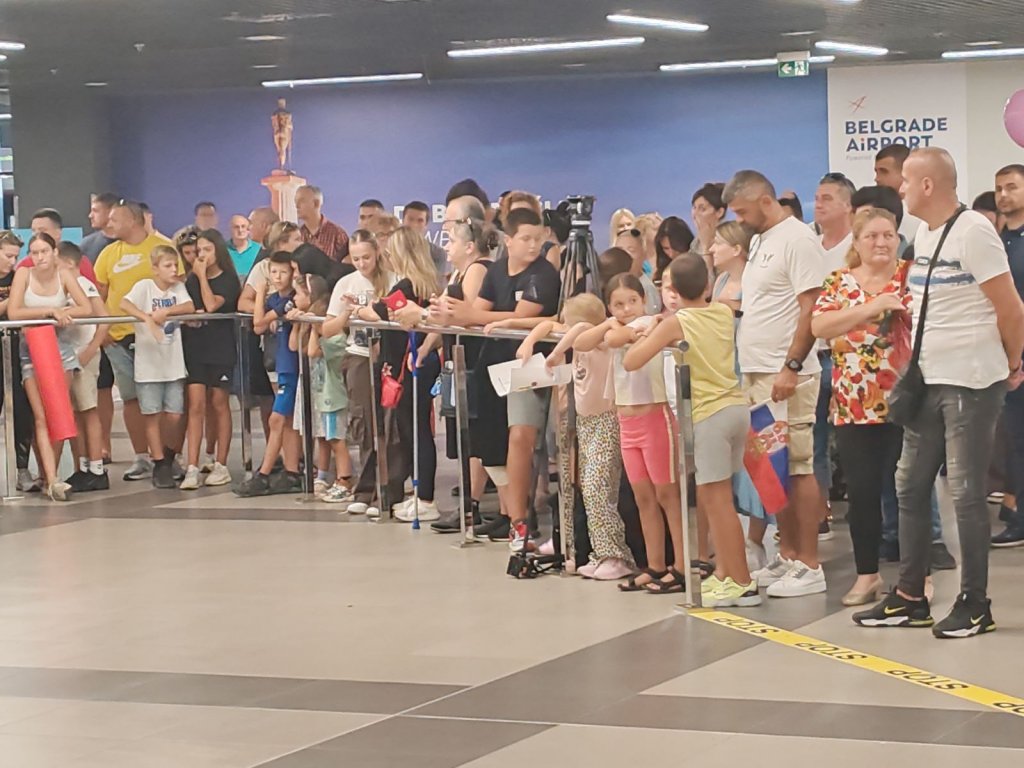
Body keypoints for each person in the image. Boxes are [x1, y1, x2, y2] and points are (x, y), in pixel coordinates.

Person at [854, 147, 1024, 638]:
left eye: (907, 181)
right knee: (909, 484)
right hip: (927, 378)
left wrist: (1012, 362)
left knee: (967, 493)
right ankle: (911, 595)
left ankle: (975, 603)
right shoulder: (925, 233)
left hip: (971, 380)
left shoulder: (974, 232)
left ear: (928, 185)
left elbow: (1011, 308)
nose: (901, 189)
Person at [626, 254, 759, 606]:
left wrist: (653, 331)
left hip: (709, 416)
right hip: (735, 408)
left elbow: (631, 360)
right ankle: (726, 574)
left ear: (672, 290)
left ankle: (742, 582)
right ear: (707, 285)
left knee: (718, 502)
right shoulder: (722, 312)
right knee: (718, 498)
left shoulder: (677, 323)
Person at [724, 169, 827, 598]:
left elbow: (812, 306)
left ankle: (810, 563)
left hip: (786, 372)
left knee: (798, 465)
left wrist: (792, 365)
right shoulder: (762, 240)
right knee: (772, 467)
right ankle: (787, 554)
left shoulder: (798, 239)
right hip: (756, 370)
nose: (739, 220)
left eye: (742, 212)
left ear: (765, 201)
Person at [442, 208, 561, 546]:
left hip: (530, 365)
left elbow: (519, 314)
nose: (533, 245)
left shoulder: (544, 274)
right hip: (493, 364)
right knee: (491, 442)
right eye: (525, 238)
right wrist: (454, 314)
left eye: (538, 238)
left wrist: (477, 316)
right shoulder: (497, 270)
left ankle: (522, 517)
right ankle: (513, 516)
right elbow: (476, 312)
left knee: (520, 437)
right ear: (508, 240)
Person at [812, 208, 910, 606]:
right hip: (853, 403)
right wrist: (869, 308)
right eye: (872, 236)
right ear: (856, 242)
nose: (881, 243)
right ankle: (867, 574)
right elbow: (819, 326)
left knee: (909, 491)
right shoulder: (839, 281)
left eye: (888, 235)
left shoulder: (911, 276)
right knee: (863, 492)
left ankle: (916, 576)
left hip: (906, 401)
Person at [507, 293, 635, 580]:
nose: (563, 329)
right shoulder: (578, 335)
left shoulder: (600, 339)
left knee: (598, 488)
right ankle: (598, 552)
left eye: (568, 323)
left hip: (606, 421)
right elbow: (548, 325)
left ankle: (616, 554)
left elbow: (579, 331)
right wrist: (529, 342)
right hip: (586, 422)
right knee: (586, 489)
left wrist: (556, 352)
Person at [574, 274, 682, 593]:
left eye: (632, 301)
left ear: (644, 300)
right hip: (627, 422)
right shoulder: (614, 327)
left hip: (654, 418)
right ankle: (655, 564)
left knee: (667, 496)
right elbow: (581, 342)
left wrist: (616, 329)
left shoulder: (650, 323)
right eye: (618, 304)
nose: (626, 309)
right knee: (643, 497)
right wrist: (608, 324)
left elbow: (620, 338)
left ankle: (681, 565)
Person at [7, 233, 94, 500]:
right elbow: (15, 312)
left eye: (44, 251)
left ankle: (51, 476)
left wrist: (63, 312)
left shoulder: (64, 274)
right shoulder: (24, 275)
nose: (40, 257)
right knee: (40, 416)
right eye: (34, 253)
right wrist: (48, 312)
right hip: (31, 349)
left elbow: (86, 307)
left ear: (54, 252)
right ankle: (51, 477)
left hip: (60, 349)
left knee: (59, 411)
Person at [94, 200, 176, 482]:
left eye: (115, 219)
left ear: (133, 220)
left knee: (161, 400)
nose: (109, 224)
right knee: (131, 398)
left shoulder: (163, 248)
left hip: (155, 338)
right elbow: (100, 294)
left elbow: (177, 286)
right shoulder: (108, 253)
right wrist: (102, 330)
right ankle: (141, 456)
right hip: (118, 338)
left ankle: (165, 457)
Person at [424, 203, 494, 533]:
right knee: (462, 433)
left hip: (474, 358)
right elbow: (442, 314)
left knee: (475, 434)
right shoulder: (457, 273)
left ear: (469, 246)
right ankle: (468, 500)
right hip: (455, 356)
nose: (447, 247)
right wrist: (425, 346)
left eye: (452, 241)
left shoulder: (478, 270)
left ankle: (472, 503)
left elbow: (465, 315)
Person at [321, 230, 396, 515]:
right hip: (358, 357)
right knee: (363, 422)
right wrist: (347, 314)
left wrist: (372, 312)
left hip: (387, 357)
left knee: (388, 424)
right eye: (356, 259)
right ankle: (365, 490)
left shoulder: (393, 279)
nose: (362, 264)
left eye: (366, 257)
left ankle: (388, 491)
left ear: (377, 253)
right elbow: (327, 329)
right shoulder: (346, 283)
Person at [369, 226, 441, 521]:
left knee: (417, 429)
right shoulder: (425, 284)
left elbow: (379, 311)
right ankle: (420, 493)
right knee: (414, 428)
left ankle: (426, 498)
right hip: (416, 361)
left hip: (412, 364)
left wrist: (358, 310)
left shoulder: (408, 286)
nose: (387, 256)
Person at [119, 245, 195, 489]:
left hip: (173, 364)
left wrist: (167, 311)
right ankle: (159, 461)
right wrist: (146, 318)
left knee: (174, 414)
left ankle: (169, 453)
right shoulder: (144, 287)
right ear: (155, 269)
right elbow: (124, 303)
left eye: (175, 265)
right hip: (149, 365)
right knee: (151, 414)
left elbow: (189, 307)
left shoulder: (178, 289)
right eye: (167, 266)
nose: (173, 270)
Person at [236, 252, 304, 496]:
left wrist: (261, 296)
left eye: (283, 272)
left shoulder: (290, 300)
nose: (277, 277)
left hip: (293, 367)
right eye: (273, 272)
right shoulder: (275, 298)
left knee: (276, 419)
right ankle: (291, 471)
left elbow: (259, 323)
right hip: (281, 365)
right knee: (287, 420)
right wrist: (262, 295)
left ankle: (264, 474)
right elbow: (259, 326)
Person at [813, 172, 857, 539]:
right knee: (812, 441)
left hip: (851, 357)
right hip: (814, 355)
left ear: (847, 205)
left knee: (855, 443)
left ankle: (863, 510)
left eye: (827, 198)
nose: (818, 204)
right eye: (817, 198)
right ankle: (818, 511)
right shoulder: (809, 246)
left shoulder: (857, 248)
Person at [179, 230, 240, 490]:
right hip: (195, 347)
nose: (202, 255)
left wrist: (203, 276)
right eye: (199, 251)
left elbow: (212, 304)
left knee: (219, 401)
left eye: (207, 250)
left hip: (220, 347)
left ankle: (221, 463)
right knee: (195, 403)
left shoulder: (228, 279)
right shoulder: (190, 280)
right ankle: (192, 465)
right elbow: (189, 307)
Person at [57, 242, 110, 493]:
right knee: (76, 411)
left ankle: (97, 468)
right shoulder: (60, 287)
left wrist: (92, 347)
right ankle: (83, 466)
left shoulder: (84, 285)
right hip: (68, 355)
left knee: (88, 409)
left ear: (69, 263)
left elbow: (103, 318)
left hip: (84, 354)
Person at [992, 163, 1024, 547]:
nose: (1004, 195)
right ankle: (1018, 514)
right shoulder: (998, 241)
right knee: (1015, 438)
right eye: (999, 188)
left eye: (1012, 187)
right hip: (1006, 355)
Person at [306, 278, 352, 502]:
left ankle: (344, 479)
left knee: (337, 440)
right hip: (325, 398)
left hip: (333, 398)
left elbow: (312, 352)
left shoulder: (336, 340)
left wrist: (316, 329)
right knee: (331, 438)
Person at [0, 230, 36, 492]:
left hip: (17, 349)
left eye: (16, 256)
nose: (12, 262)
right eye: (7, 256)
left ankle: (23, 469)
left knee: (23, 411)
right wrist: (13, 303)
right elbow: (15, 307)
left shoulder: (20, 277)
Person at [22, 208, 98, 284]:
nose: (36, 234)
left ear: (58, 233)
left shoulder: (79, 260)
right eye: (33, 231)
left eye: (42, 230)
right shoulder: (26, 265)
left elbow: (91, 288)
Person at [875, 144, 920, 242]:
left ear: (906, 172)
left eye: (884, 172)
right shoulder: (876, 210)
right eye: (876, 172)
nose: (877, 179)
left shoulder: (921, 214)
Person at [296, 185, 349, 262]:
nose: (297, 206)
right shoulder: (297, 235)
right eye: (296, 201)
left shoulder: (338, 234)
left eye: (302, 201)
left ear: (316, 203)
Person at [402, 200, 447, 281]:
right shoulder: (390, 250)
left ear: (426, 225)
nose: (414, 225)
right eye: (410, 219)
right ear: (403, 221)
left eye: (420, 221)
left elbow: (436, 283)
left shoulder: (437, 254)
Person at [690, 183, 727, 263]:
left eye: (702, 209)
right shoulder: (696, 242)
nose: (695, 214)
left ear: (719, 212)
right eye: (694, 207)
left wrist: (706, 247)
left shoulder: (726, 240)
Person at [80, 192, 120, 261]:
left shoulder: (130, 241)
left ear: (111, 212)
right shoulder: (86, 245)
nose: (90, 216)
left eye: (95, 211)